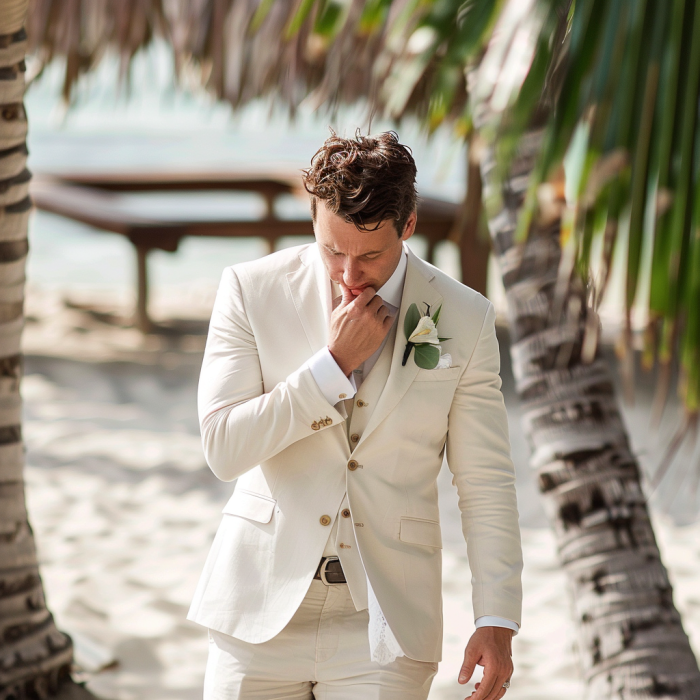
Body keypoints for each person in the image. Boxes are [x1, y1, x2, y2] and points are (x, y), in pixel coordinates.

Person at [188, 130, 523, 700]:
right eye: (331, 249)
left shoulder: (464, 317)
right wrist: (332, 366)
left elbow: (485, 481)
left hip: (386, 623)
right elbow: (223, 448)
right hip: (258, 607)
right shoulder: (251, 290)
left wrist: (497, 616)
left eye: (369, 254)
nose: (348, 272)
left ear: (409, 223)